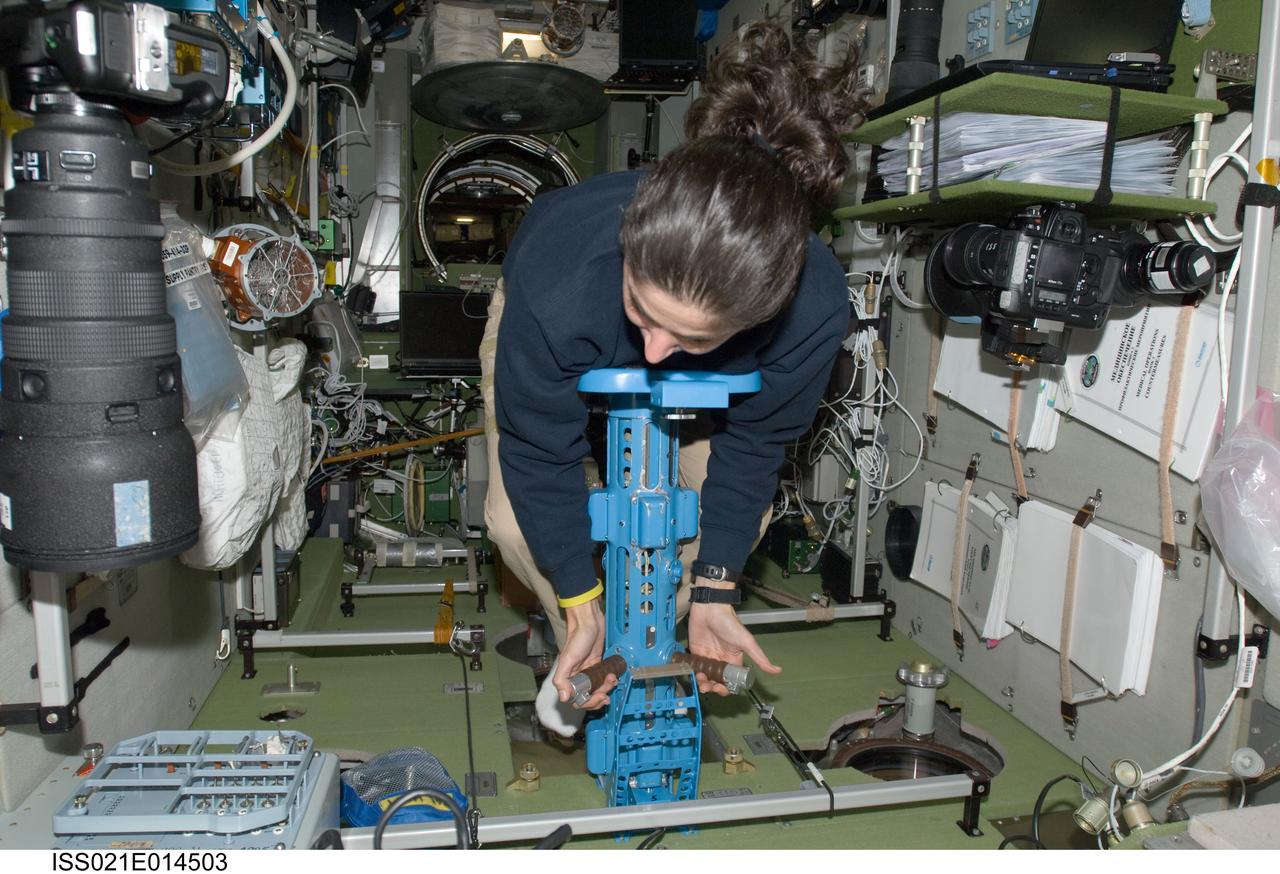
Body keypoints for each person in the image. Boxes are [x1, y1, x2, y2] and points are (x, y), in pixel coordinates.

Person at [478, 22, 867, 732]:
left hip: (717, 377)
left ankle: (657, 623)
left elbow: (752, 452)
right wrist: (575, 595)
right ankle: (581, 629)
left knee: (715, 522)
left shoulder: (811, 311)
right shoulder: (556, 274)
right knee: (511, 521)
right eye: (643, 312)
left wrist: (715, 587)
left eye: (687, 336)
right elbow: (539, 450)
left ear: (760, 318)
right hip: (567, 325)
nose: (654, 354)